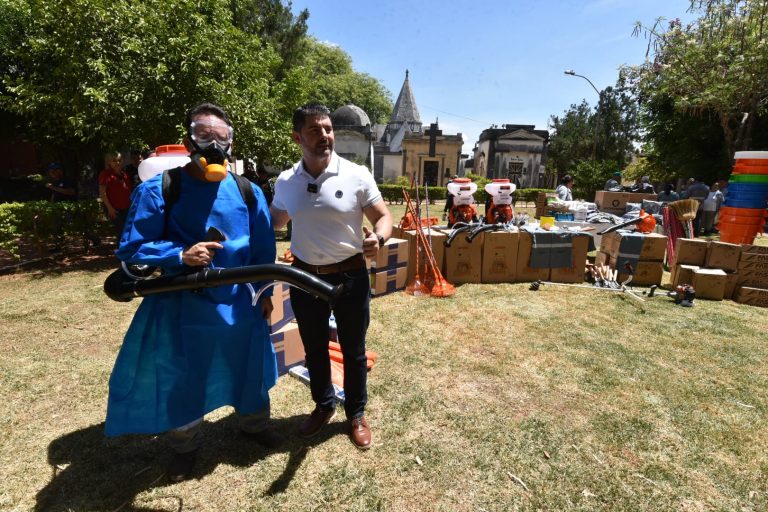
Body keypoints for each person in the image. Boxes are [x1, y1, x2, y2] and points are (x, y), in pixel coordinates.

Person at [104, 102, 281, 483]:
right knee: (183, 373)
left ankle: (254, 424)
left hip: (239, 303)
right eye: (204, 135)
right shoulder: (161, 189)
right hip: (182, 303)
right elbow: (132, 247)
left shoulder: (247, 192)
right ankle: (184, 446)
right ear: (189, 141)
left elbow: (264, 249)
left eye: (221, 137)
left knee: (248, 363)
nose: (213, 145)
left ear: (232, 144)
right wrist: (179, 255)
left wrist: (265, 292)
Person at [270, 103, 393, 450]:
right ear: (297, 137)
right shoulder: (286, 181)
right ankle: (323, 405)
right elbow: (274, 221)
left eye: (328, 128)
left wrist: (378, 237)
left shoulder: (356, 174)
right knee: (314, 348)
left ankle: (356, 413)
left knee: (353, 350)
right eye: (315, 130)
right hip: (304, 276)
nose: (324, 135)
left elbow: (384, 217)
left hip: (350, 275)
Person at [98, 151, 133, 239]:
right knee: (122, 231)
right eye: (114, 160)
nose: (117, 162)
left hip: (126, 208)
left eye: (119, 160)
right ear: (109, 162)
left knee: (128, 230)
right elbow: (102, 193)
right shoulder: (105, 174)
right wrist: (110, 208)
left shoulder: (124, 174)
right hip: (114, 209)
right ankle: (122, 247)